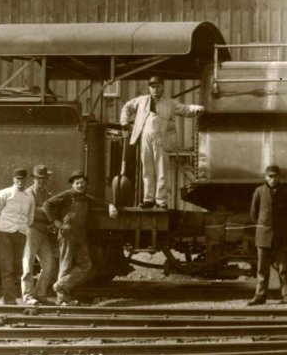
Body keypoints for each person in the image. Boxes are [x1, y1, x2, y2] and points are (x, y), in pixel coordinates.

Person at [119, 76, 204, 209]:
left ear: (163, 87)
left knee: (161, 170)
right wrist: (124, 121)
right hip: (145, 137)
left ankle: (161, 200)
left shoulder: (170, 103)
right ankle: (148, 199)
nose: (155, 89)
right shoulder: (141, 100)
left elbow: (185, 109)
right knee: (147, 170)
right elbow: (127, 107)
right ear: (149, 88)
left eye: (158, 86)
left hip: (161, 138)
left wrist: (197, 108)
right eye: (152, 86)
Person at [42, 171, 119, 306]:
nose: (80, 185)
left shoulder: (85, 198)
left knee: (85, 265)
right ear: (73, 184)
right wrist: (56, 222)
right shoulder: (66, 195)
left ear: (86, 185)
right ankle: (62, 299)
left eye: (82, 183)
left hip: (80, 235)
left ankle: (61, 285)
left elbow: (100, 202)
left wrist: (111, 206)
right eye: (77, 183)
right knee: (65, 264)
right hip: (67, 234)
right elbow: (47, 204)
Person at [247, 165, 287, 307]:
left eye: (275, 176)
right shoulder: (258, 192)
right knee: (262, 269)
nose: (272, 179)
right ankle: (259, 297)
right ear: (265, 177)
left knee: (283, 269)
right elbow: (253, 214)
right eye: (270, 176)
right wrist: (264, 227)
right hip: (263, 236)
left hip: (281, 237)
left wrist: (281, 228)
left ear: (279, 177)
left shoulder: (286, 192)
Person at [0, 168, 35, 305]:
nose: (20, 182)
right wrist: (0, 228)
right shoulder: (3, 194)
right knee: (7, 268)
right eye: (18, 179)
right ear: (13, 179)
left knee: (17, 267)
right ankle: (9, 300)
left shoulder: (29, 197)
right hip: (5, 234)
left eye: (23, 179)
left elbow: (30, 217)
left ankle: (13, 297)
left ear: (26, 180)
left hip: (20, 234)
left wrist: (23, 229)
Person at [21, 164, 58, 306]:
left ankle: (41, 294)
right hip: (31, 231)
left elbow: (51, 211)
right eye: (39, 178)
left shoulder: (48, 195)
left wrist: (44, 213)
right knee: (27, 263)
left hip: (43, 232)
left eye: (44, 178)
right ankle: (28, 296)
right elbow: (28, 212)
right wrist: (46, 211)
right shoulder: (27, 193)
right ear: (34, 179)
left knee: (49, 264)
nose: (41, 181)